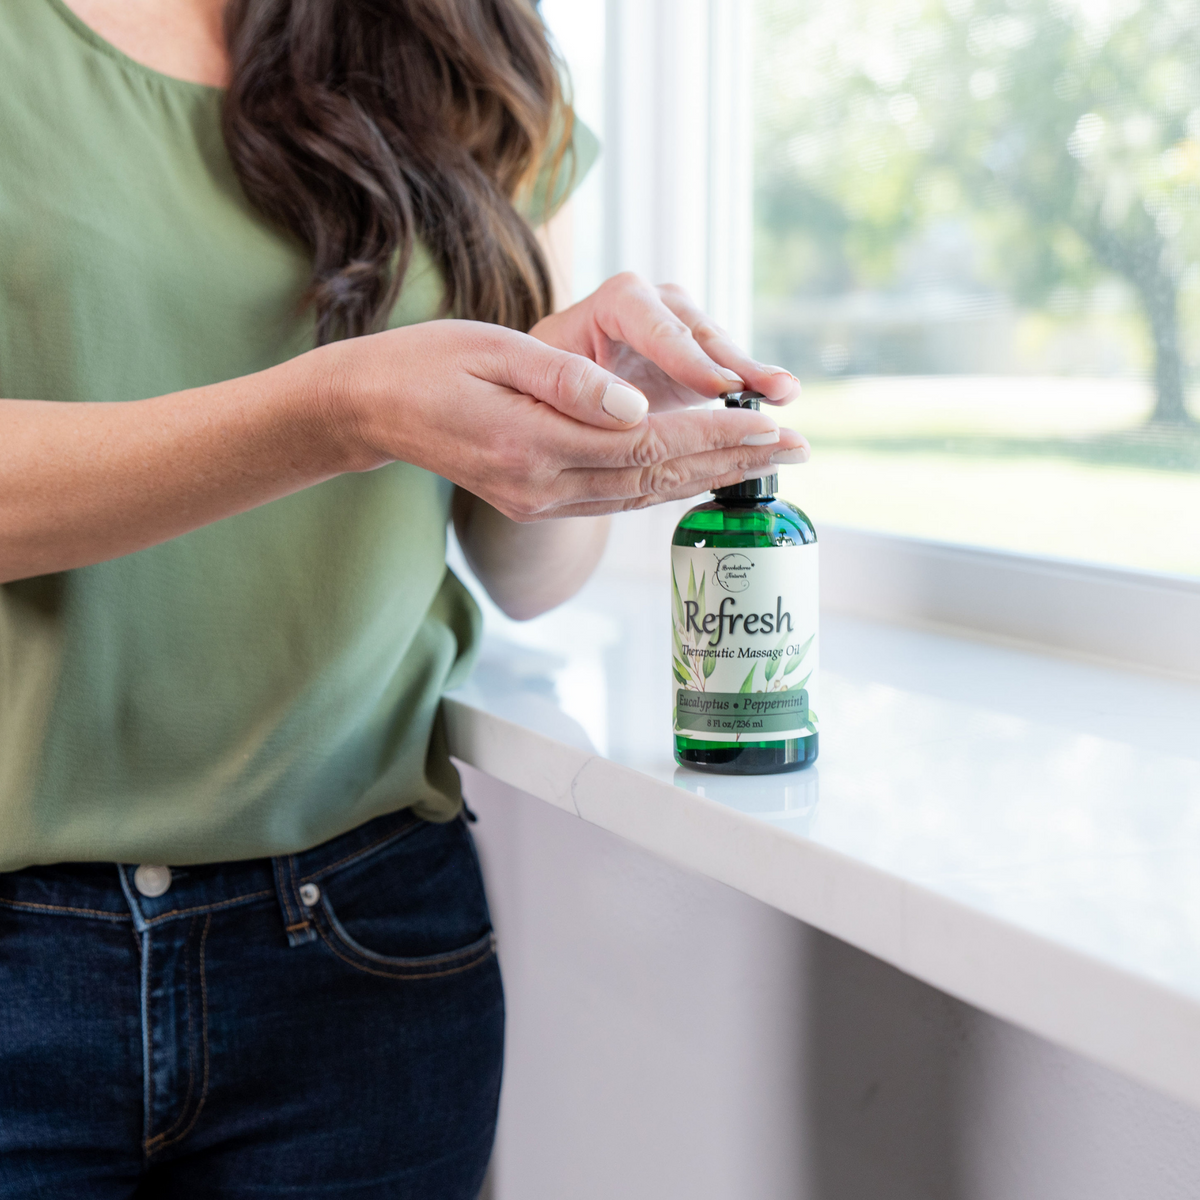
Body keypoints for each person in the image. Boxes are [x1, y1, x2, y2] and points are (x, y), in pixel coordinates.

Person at [0, 0, 807, 1196]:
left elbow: (528, 572)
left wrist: (588, 408)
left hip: (360, 946)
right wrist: (335, 410)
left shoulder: (459, 39)